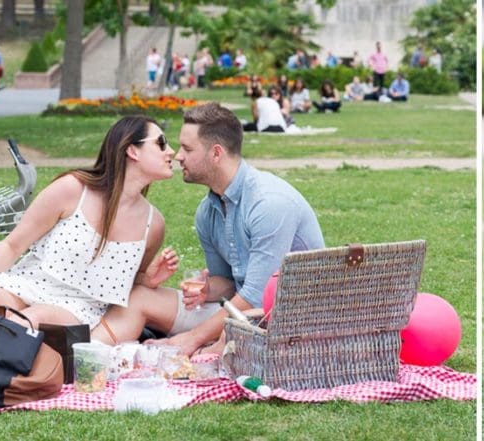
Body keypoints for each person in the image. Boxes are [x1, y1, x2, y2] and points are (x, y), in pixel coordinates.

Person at [101, 103, 325, 354]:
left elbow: (256, 296)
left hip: (288, 318)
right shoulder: (207, 212)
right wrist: (208, 290)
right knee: (140, 297)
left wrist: (192, 338)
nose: (178, 156)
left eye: (187, 148)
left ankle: (199, 345)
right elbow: (227, 283)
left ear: (216, 153)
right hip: (240, 311)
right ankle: (82, 354)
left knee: (199, 348)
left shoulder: (268, 203)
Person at [0, 116, 179, 341]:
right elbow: (12, 245)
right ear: (133, 151)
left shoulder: (153, 225)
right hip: (28, 282)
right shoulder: (72, 189)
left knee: (26, 322)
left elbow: (120, 283)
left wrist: (147, 280)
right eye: (161, 143)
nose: (171, 151)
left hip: (77, 307)